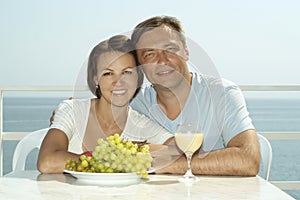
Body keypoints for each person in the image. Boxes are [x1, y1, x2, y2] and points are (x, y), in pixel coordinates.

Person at [128, 16, 260, 176]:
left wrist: (171, 164)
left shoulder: (222, 93)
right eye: (150, 54)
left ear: (186, 52)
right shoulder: (134, 103)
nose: (162, 60)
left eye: (170, 49)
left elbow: (248, 160)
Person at [38, 35, 173, 174]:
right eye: (108, 73)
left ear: (138, 77)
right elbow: (47, 162)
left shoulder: (143, 125)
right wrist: (113, 160)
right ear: (95, 78)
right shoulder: (72, 111)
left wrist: (129, 149)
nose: (118, 82)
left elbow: (181, 154)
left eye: (126, 72)